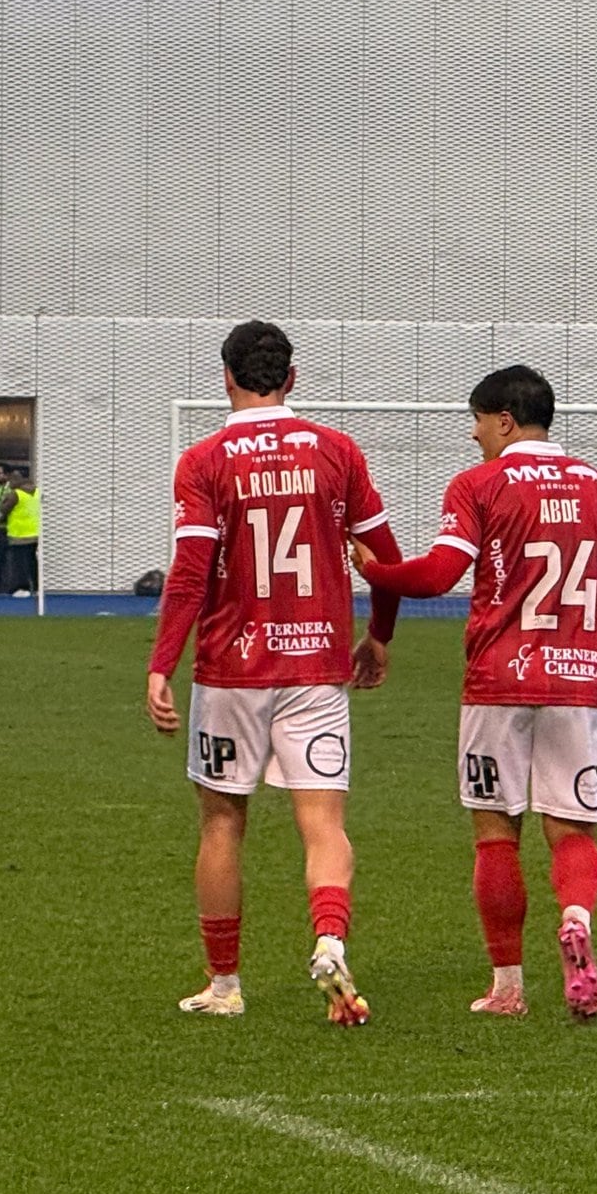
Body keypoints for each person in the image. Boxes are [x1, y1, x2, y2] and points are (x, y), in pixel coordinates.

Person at [354, 365, 597, 1019]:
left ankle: (508, 988)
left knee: (495, 835)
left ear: (505, 420)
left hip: (499, 680)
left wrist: (378, 571)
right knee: (571, 832)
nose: (475, 434)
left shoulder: (480, 484)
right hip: (577, 682)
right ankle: (574, 916)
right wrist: (578, 634)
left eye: (479, 422)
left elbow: (439, 574)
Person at [144, 321, 402, 1024]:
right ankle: (327, 936)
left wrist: (163, 663)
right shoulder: (336, 452)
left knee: (223, 823)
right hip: (317, 665)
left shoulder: (204, 459)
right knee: (323, 822)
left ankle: (224, 985)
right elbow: (384, 557)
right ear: (293, 378)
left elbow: (193, 570)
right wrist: (377, 637)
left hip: (231, 669)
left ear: (225, 377)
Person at [2, 469, 38, 596]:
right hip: (34, 532)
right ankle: (35, 588)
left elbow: (4, 510)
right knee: (31, 562)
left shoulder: (15, 494)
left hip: (18, 533)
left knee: (18, 563)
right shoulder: (37, 492)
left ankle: (21, 588)